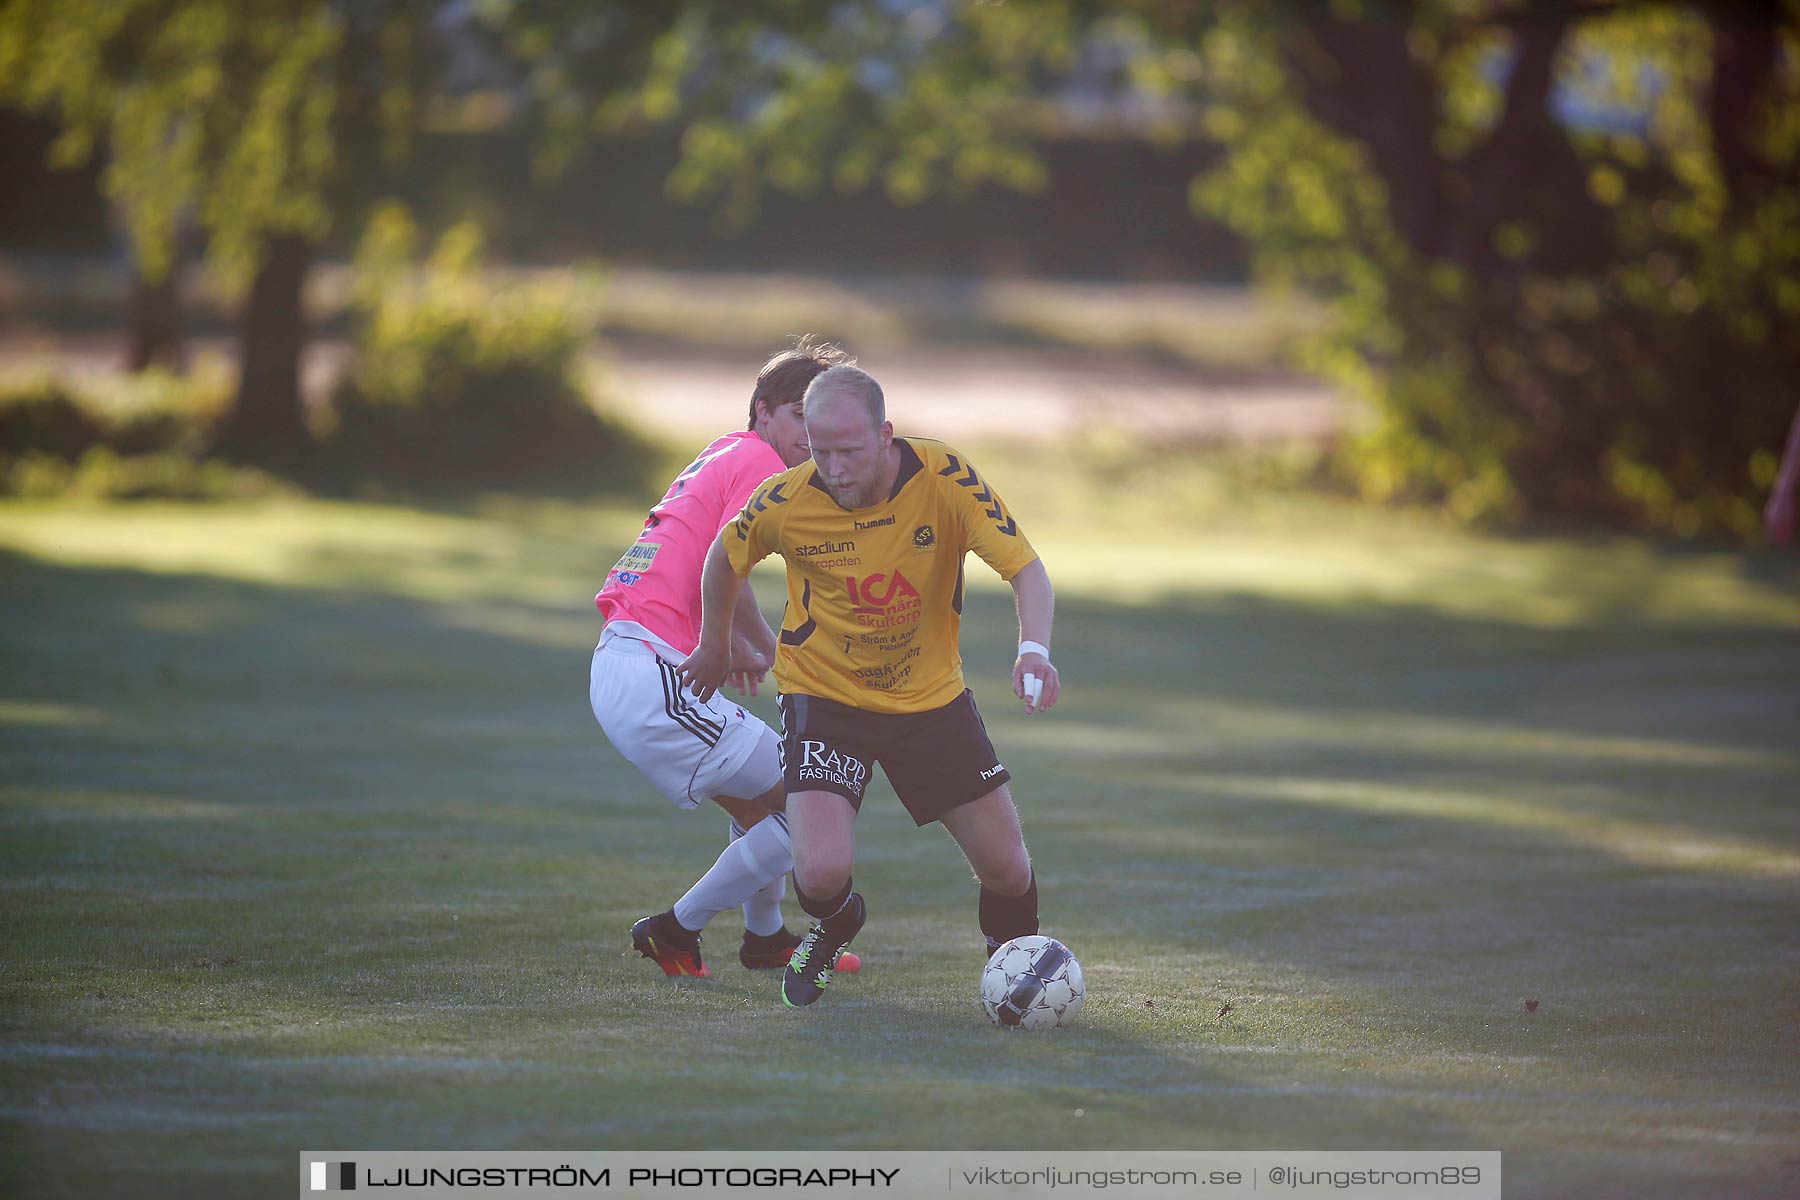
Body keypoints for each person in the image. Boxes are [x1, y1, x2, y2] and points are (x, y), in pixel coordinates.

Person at [679, 364, 1060, 1008]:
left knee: (1007, 867)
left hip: (930, 701)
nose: (834, 468)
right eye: (820, 452)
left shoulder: (943, 476)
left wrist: (1033, 650)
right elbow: (724, 555)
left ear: (886, 435)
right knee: (819, 873)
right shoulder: (788, 498)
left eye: (849, 451)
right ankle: (835, 921)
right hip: (824, 698)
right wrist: (716, 642)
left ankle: (1015, 974)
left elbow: (1024, 567)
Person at [591, 338, 861, 979]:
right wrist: (748, 647)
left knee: (769, 804)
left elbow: (710, 560)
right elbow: (725, 556)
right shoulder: (759, 460)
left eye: (821, 420)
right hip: (654, 671)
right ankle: (673, 928)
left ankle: (764, 939)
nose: (810, 432)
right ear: (763, 412)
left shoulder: (725, 451)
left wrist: (729, 639)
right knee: (810, 799)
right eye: (800, 413)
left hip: (639, 662)